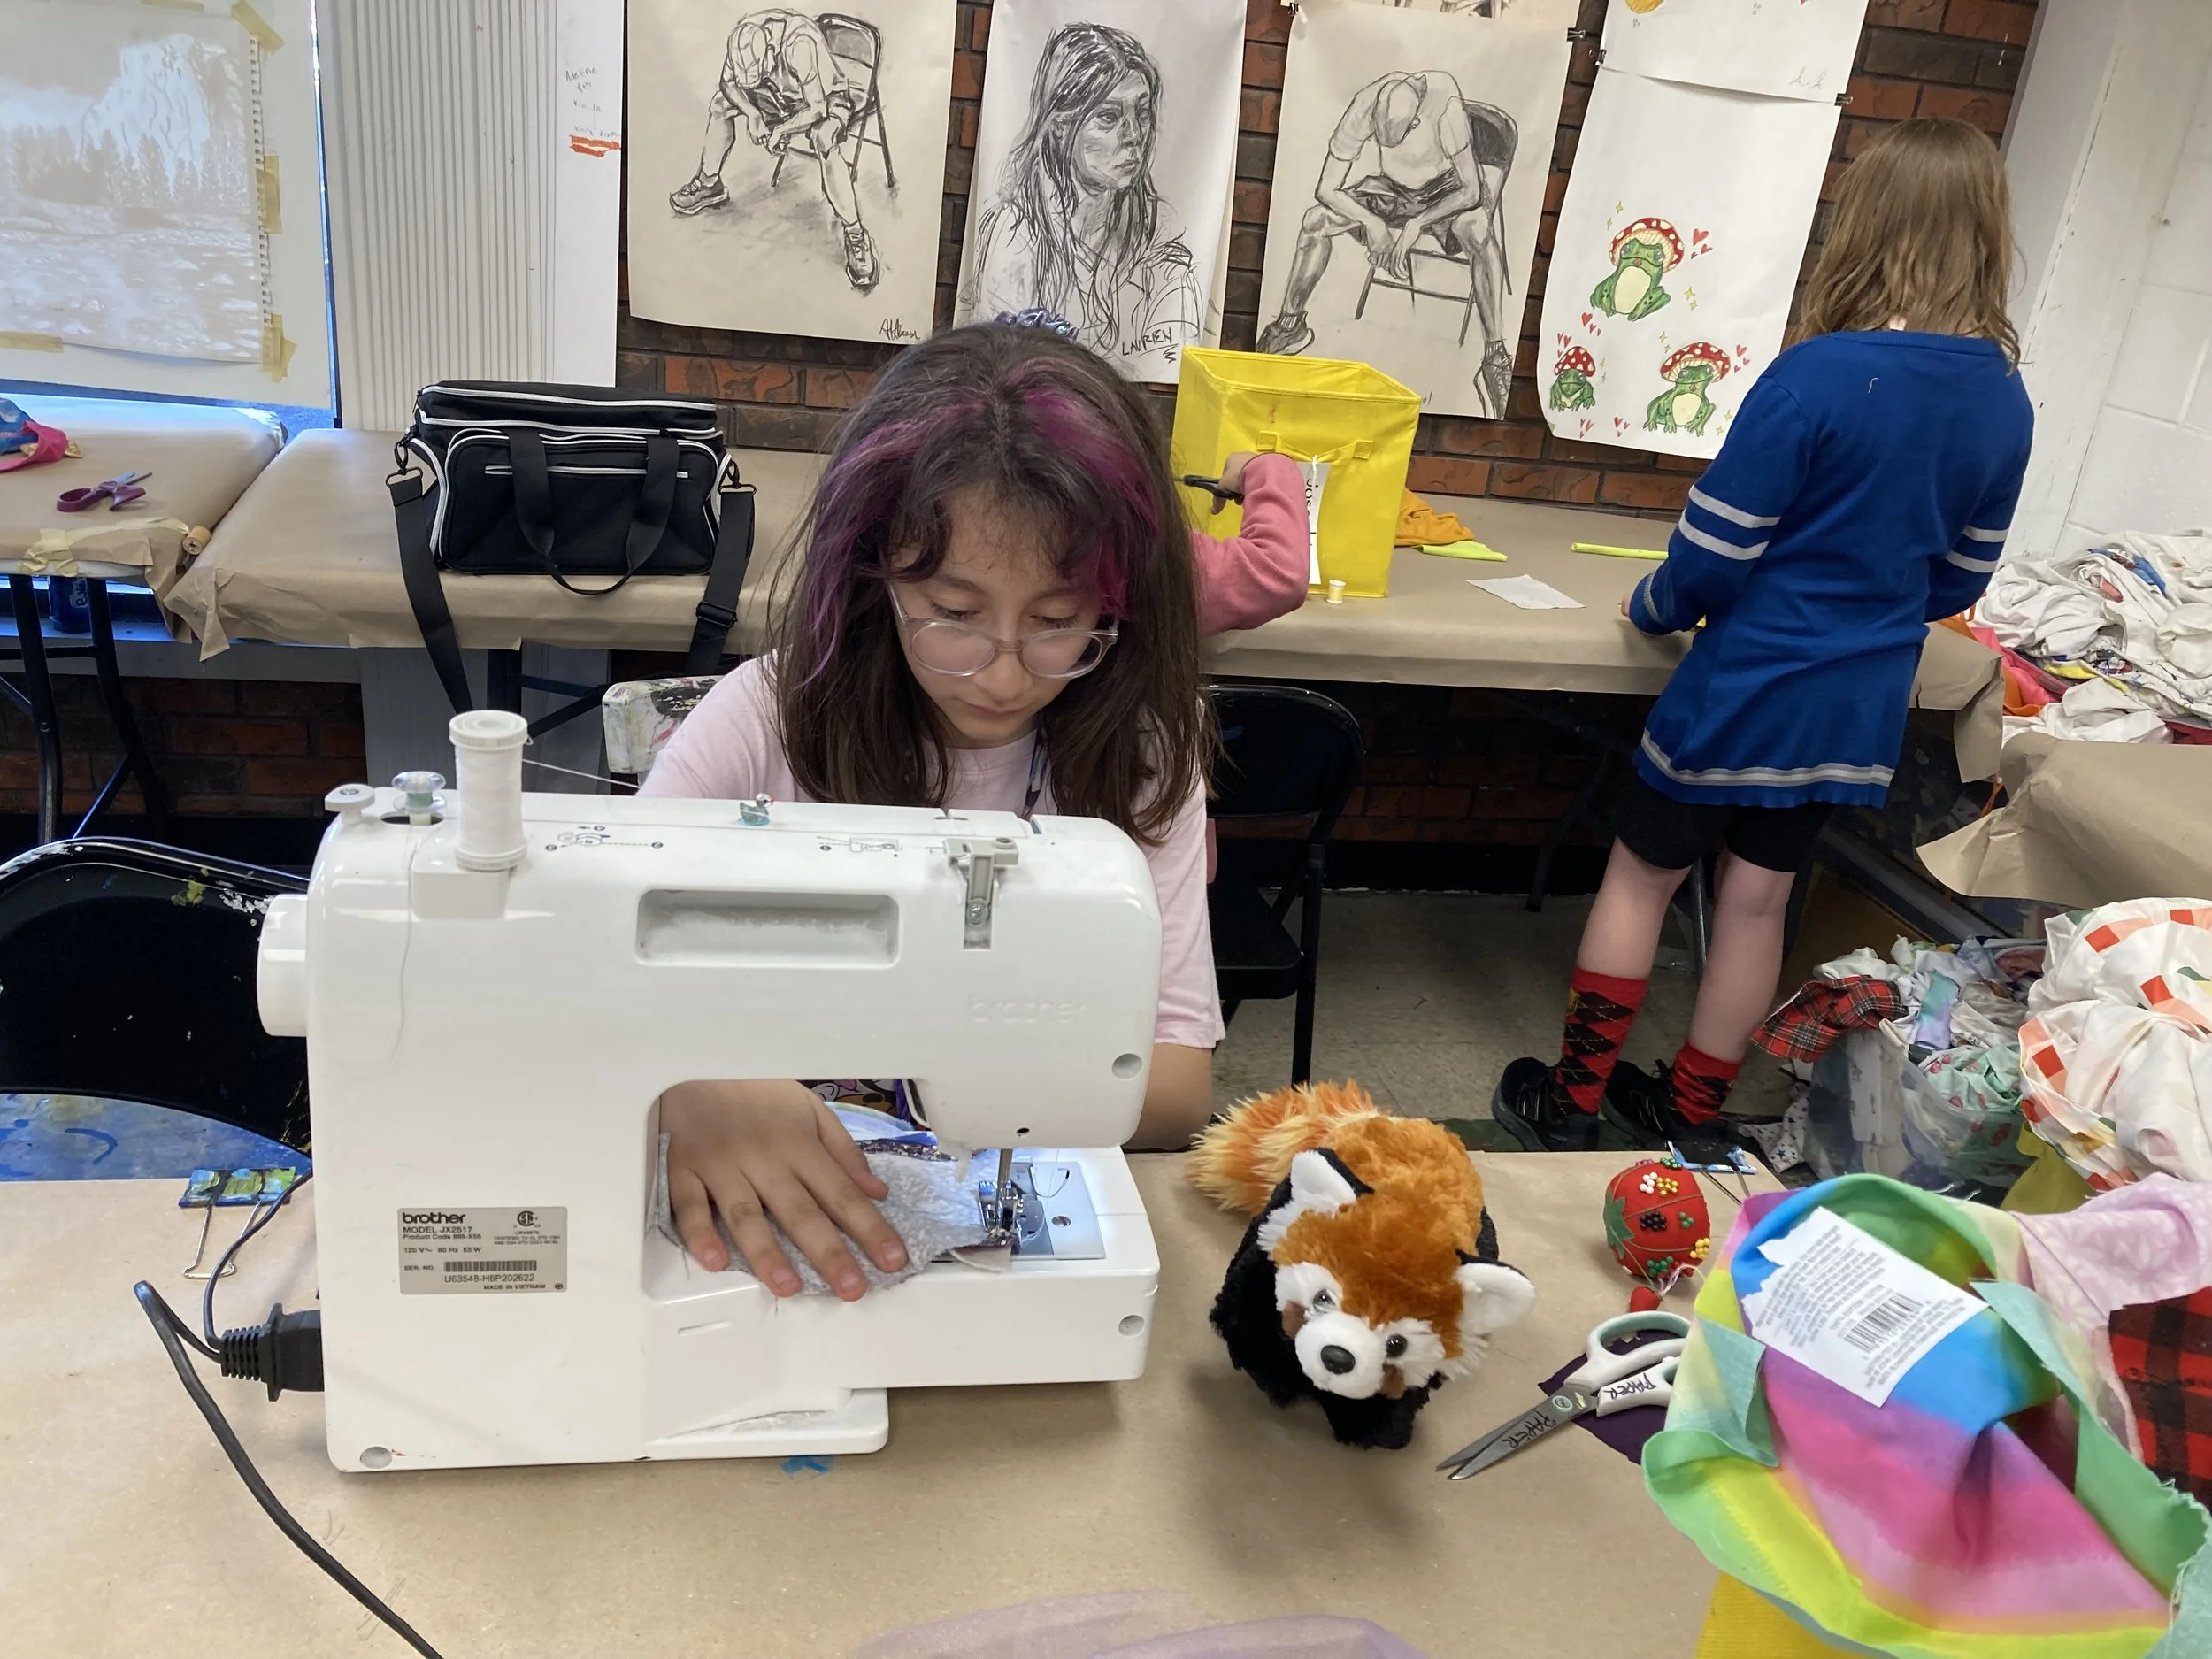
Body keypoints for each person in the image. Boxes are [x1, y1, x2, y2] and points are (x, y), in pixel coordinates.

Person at [641, 325, 1306, 1301]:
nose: (1003, 675)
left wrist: (938, 1085)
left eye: (1058, 621)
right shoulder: (764, 719)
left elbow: (1173, 1085)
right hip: (755, 1195)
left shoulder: (1138, 756)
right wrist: (686, 1083)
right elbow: (583, 977)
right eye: (953, 613)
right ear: (874, 568)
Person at [1493, 117, 2035, 1153]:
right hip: (1856, 704)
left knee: (1640, 876)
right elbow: (1961, 577)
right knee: (1756, 904)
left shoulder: (1816, 375)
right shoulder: (2004, 400)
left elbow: (1713, 553)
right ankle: (1687, 1116)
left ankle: (1569, 1105)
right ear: (1984, 232)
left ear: (1865, 225)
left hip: (1744, 684)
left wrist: (1653, 605)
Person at [1255, 71, 1512, 417]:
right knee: (1315, 221)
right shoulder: (1365, 104)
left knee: (1478, 231)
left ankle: (1495, 355)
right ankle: (1290, 326)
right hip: (1393, 190)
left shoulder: (1445, 105)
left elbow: (1471, 191)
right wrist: (1372, 222)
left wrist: (1416, 224)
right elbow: (1326, 188)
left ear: (1415, 121)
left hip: (1446, 190)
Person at [964, 24, 1201, 368]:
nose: (1134, 134)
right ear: (1060, 125)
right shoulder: (1015, 236)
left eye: (1142, 113)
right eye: (1109, 116)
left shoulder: (1163, 251)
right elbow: (996, 370)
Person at [670, 10, 880, 294]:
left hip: (825, 99)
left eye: (757, 73)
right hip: (777, 92)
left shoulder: (799, 44)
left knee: (824, 139)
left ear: (770, 50)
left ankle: (855, 233)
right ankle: (709, 184)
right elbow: (728, 84)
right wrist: (753, 115)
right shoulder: (742, 37)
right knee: (720, 105)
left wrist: (782, 131)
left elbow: (817, 109)